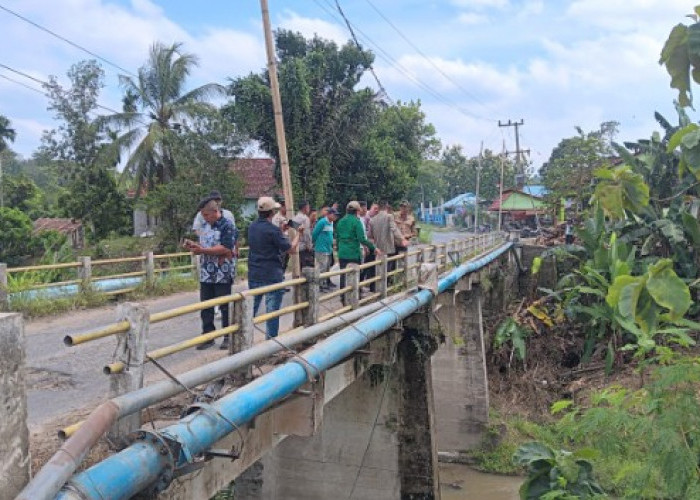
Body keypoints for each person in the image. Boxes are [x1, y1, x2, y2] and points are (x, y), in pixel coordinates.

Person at [182, 198, 237, 350]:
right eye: (203, 215)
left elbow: (225, 248)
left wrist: (202, 251)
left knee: (224, 305)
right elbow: (206, 245)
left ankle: (227, 335)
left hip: (222, 272)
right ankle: (208, 335)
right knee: (206, 305)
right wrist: (195, 246)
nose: (205, 218)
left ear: (215, 212)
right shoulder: (205, 226)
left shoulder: (227, 226)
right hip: (207, 271)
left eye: (206, 215)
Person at [248, 196, 301, 338]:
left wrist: (280, 230)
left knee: (249, 311)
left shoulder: (252, 227)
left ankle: (244, 342)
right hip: (272, 274)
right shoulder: (273, 230)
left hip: (255, 273)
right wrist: (298, 235)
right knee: (272, 313)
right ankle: (270, 344)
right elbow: (291, 249)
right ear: (272, 212)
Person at [335, 201, 379, 293]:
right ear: (357, 211)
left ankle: (343, 296)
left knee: (343, 275)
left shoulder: (340, 222)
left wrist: (339, 250)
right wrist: (373, 248)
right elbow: (362, 239)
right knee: (355, 275)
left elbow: (338, 238)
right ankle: (355, 295)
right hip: (353, 253)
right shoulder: (356, 222)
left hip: (342, 253)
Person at [369, 200, 408, 274]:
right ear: (386, 206)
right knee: (388, 271)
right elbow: (394, 229)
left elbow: (370, 236)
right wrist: (402, 239)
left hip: (378, 250)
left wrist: (374, 247)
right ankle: (388, 284)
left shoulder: (372, 220)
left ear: (379, 207)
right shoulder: (389, 216)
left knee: (378, 271)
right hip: (389, 249)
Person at [312, 207, 339, 291]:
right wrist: (315, 243)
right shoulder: (322, 222)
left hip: (328, 249)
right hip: (321, 248)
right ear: (329, 214)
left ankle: (324, 283)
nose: (336, 217)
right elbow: (314, 234)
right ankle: (319, 285)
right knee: (322, 268)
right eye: (334, 215)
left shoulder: (331, 223)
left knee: (327, 268)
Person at [293, 200, 314, 268]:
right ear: (305, 208)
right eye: (308, 207)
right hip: (304, 247)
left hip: (296, 246)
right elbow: (306, 234)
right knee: (308, 269)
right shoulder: (305, 219)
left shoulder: (295, 218)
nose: (309, 209)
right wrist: (309, 245)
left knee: (299, 267)